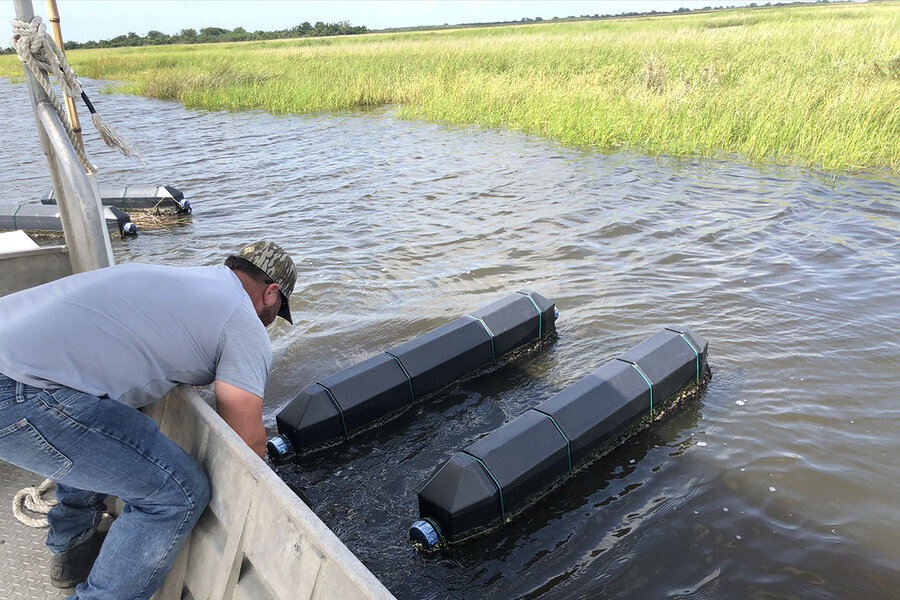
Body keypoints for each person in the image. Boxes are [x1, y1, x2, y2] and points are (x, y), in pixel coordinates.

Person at [0, 240, 296, 600]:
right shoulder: (243, 321)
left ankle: (71, 550)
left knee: (109, 418)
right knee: (179, 492)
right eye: (277, 312)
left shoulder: (184, 281)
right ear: (271, 293)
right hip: (19, 392)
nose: (269, 323)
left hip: (17, 358)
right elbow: (247, 442)